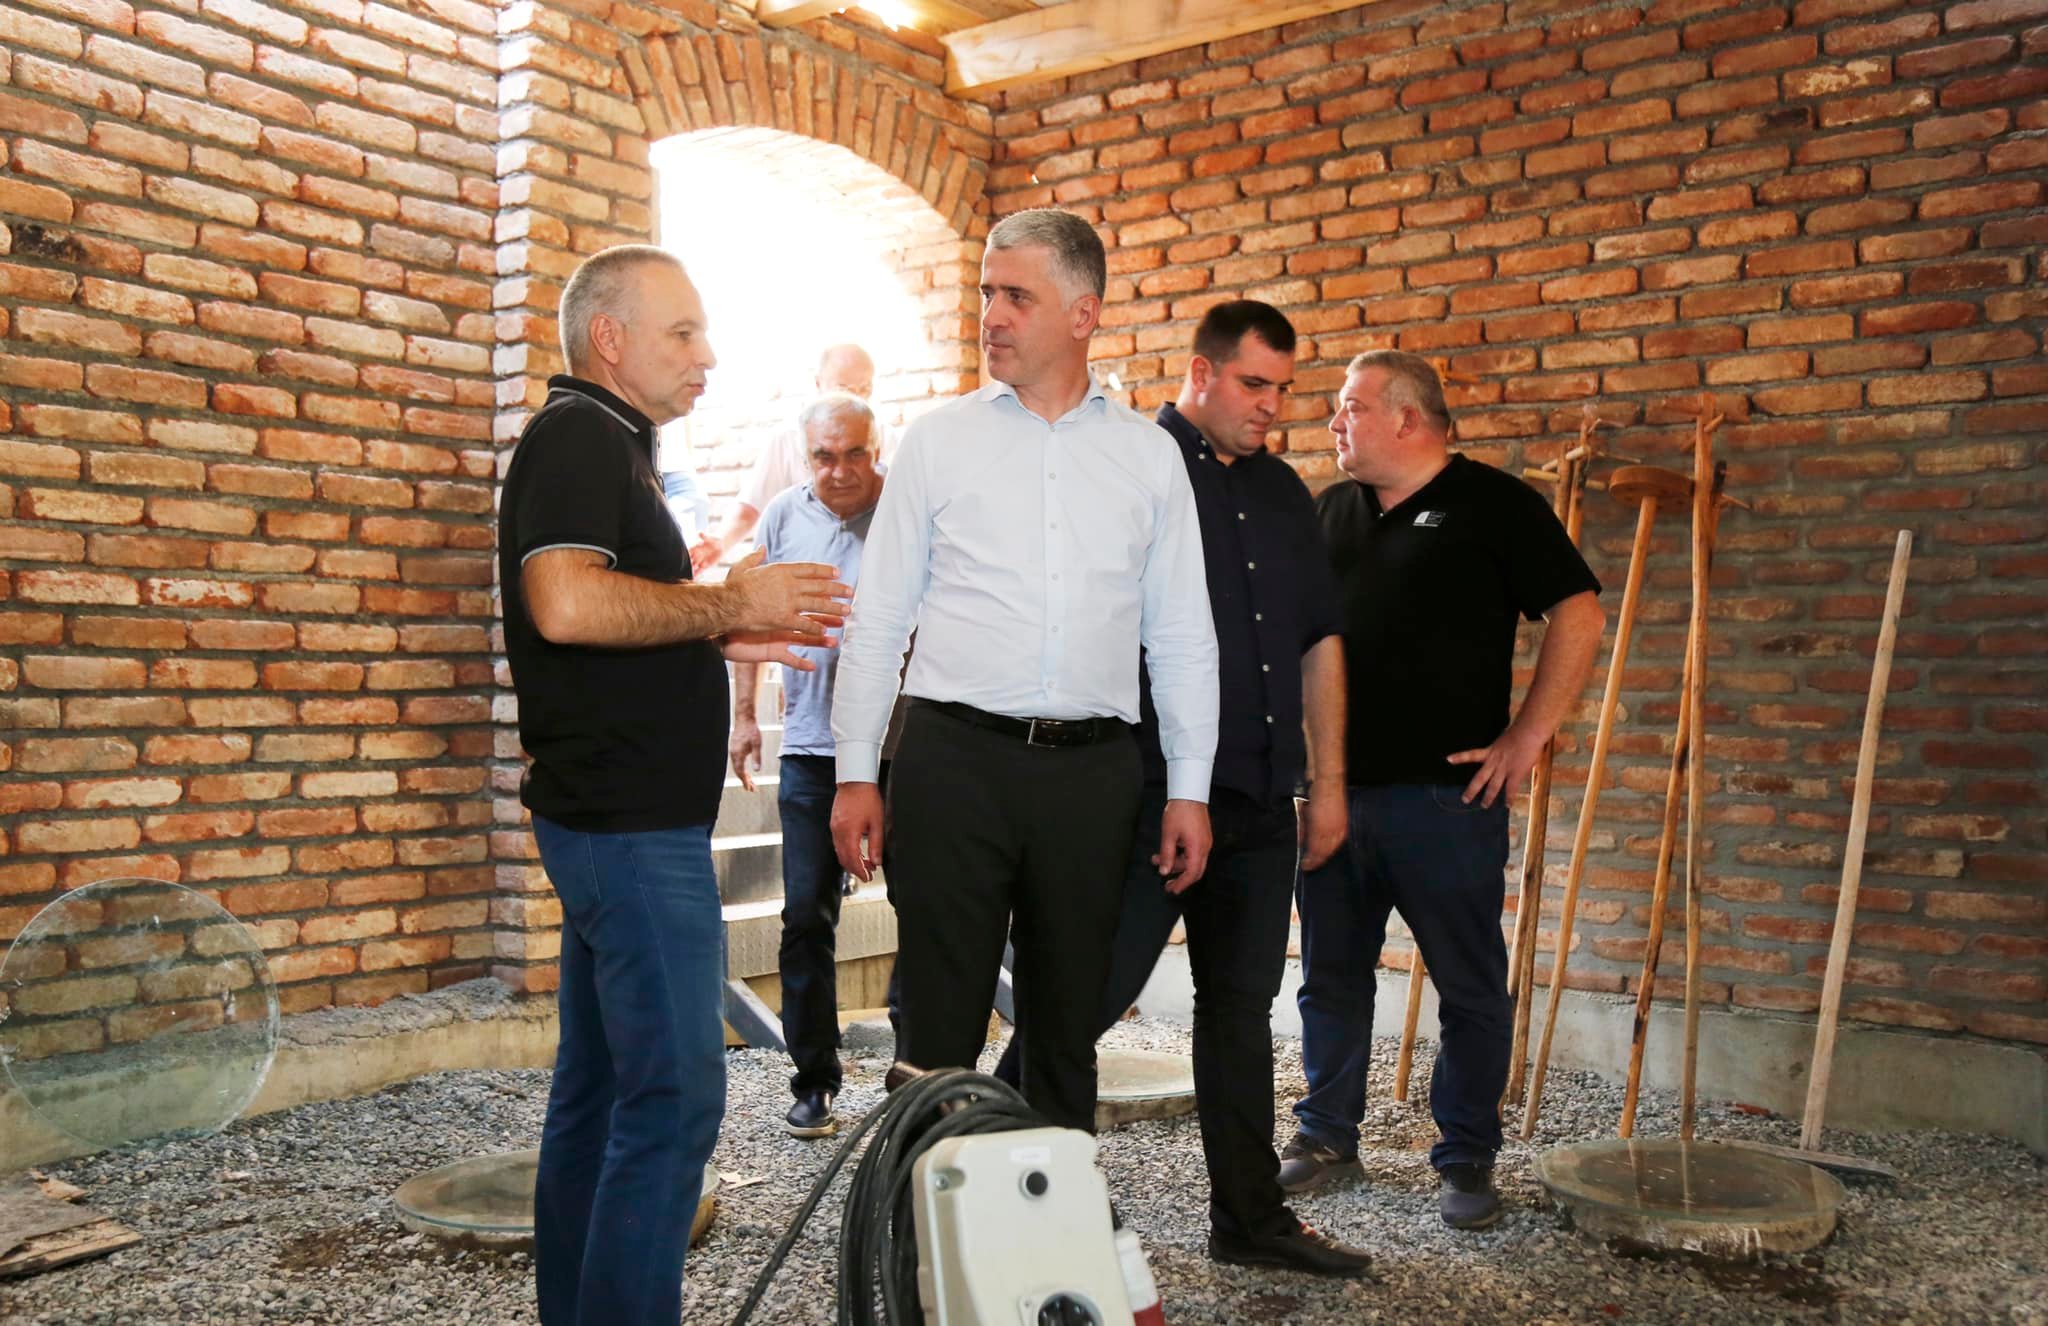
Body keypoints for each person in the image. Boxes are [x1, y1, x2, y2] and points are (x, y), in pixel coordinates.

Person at [500, 243, 849, 1326]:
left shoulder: (616, 445)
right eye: (684, 332)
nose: (708, 356)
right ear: (611, 339)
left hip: (618, 822)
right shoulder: (577, 438)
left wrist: (716, 632)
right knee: (677, 1099)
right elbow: (566, 604)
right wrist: (725, 605)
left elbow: (613, 616)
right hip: (627, 831)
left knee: (603, 1091)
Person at [990, 300, 1371, 1277]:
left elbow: (1318, 642)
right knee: (1075, 1008)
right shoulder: (1128, 466)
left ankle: (1250, 1220)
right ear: (1200, 373)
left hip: (1257, 804)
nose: (1271, 406)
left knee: (1239, 1017)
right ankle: (994, 1199)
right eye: (1254, 384)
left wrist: (1326, 785)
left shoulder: (1285, 492)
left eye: (1283, 389)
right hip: (1141, 799)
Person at [828, 208, 1219, 1135]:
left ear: (1083, 314)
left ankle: (1050, 1218)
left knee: (1065, 1031)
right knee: (937, 1025)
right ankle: (920, 1217)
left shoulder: (1149, 457)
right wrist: (854, 773)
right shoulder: (937, 442)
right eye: (986, 294)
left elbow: (1181, 635)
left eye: (1017, 296)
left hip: (1093, 776)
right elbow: (879, 618)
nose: (991, 315)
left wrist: (1190, 789)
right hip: (952, 765)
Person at [1281, 349, 1605, 1231]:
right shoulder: (1331, 511)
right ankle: (1326, 1136)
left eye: (1350, 407)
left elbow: (1578, 611)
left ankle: (1465, 1155)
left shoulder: (1496, 505)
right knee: (1330, 978)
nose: (1334, 423)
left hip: (1445, 803)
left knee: (1469, 988)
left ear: (1408, 418)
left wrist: (1528, 735)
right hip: (1335, 795)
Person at [728, 393, 893, 1141]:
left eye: (855, 454)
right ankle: (815, 1081)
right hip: (810, 750)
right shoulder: (782, 518)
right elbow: (746, 616)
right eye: (824, 456)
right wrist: (744, 716)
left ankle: (917, 1070)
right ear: (805, 457)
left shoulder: (905, 512)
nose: (840, 471)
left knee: (926, 908)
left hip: (898, 750)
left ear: (876, 449)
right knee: (805, 918)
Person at [697, 343, 889, 567]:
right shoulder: (787, 445)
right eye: (844, 388)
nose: (856, 397)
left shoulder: (889, 439)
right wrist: (721, 543)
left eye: (864, 388)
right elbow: (752, 505)